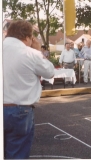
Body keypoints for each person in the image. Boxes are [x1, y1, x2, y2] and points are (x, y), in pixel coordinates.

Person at [3, 20, 55, 159]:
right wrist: (38, 50)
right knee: (17, 154)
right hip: (19, 110)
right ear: (27, 37)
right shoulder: (31, 53)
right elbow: (50, 72)